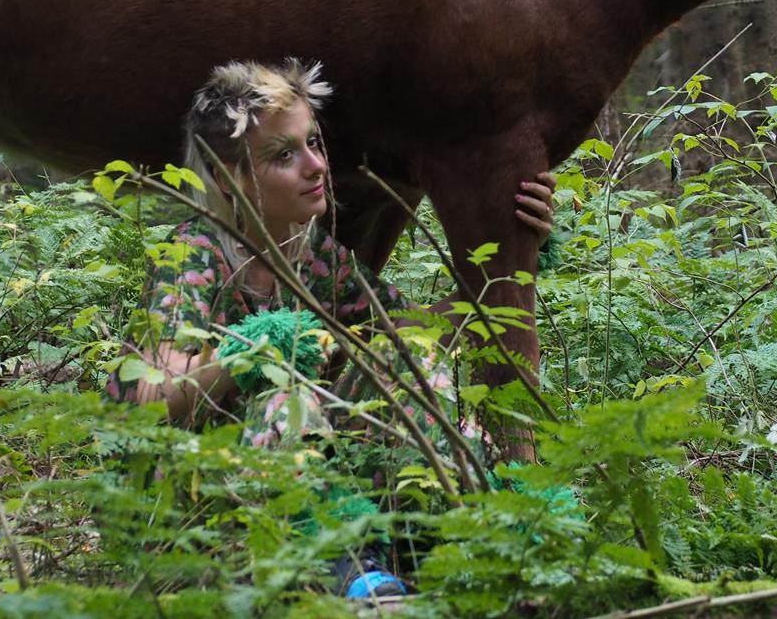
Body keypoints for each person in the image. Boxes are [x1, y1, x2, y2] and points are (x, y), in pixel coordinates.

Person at [108, 59, 555, 596]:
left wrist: (513, 261)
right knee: (285, 393)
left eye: (314, 143)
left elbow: (411, 330)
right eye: (283, 154)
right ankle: (340, 568)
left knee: (410, 361)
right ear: (231, 181)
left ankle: (419, 550)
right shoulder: (194, 254)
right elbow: (150, 397)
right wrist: (247, 355)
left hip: (281, 475)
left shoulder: (313, 253)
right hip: (185, 499)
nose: (316, 165)